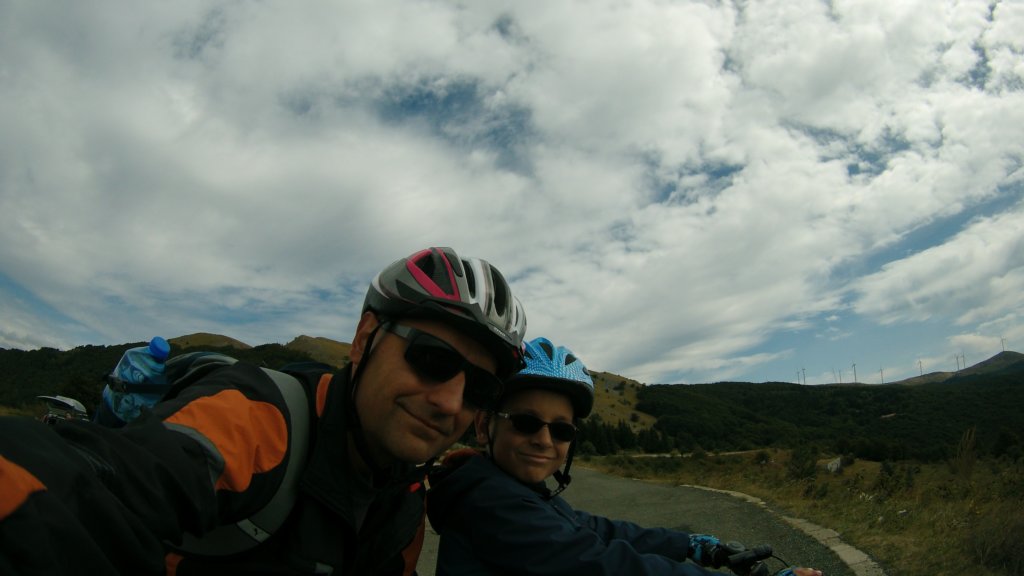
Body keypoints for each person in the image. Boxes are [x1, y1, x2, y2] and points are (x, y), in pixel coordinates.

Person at [0, 246, 526, 576]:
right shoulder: (258, 418)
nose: (450, 402)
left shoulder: (407, 501)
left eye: (480, 388)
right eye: (432, 359)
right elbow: (99, 489)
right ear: (365, 339)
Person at [426, 337, 824, 576]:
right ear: (485, 426)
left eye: (562, 430)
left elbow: (598, 529)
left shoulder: (516, 491)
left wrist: (691, 544)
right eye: (526, 422)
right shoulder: (492, 503)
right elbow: (603, 565)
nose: (544, 440)